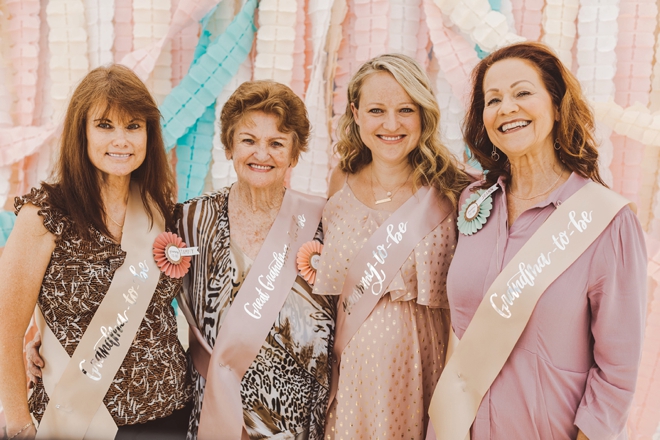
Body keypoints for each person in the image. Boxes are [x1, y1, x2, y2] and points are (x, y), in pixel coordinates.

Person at [435, 42, 647, 439]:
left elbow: (616, 375)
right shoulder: (473, 203)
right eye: (492, 99)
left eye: (522, 92)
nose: (507, 107)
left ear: (555, 103)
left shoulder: (607, 221)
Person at [0, 64, 192, 440]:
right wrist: (19, 424)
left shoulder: (164, 212)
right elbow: (6, 330)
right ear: (82, 132)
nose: (121, 140)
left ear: (148, 135)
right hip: (74, 423)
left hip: (169, 417)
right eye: (105, 125)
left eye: (133, 126)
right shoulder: (44, 215)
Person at [313, 53, 471, 439]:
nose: (391, 124)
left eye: (405, 110)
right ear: (356, 113)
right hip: (352, 375)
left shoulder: (454, 188)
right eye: (376, 110)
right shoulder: (340, 180)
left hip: (426, 364)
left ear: (423, 114)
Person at [176, 80, 334, 440]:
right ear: (230, 146)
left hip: (298, 423)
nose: (261, 154)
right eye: (249, 140)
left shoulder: (324, 223)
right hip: (215, 412)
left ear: (294, 155)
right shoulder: (190, 221)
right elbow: (140, 293)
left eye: (276, 144)